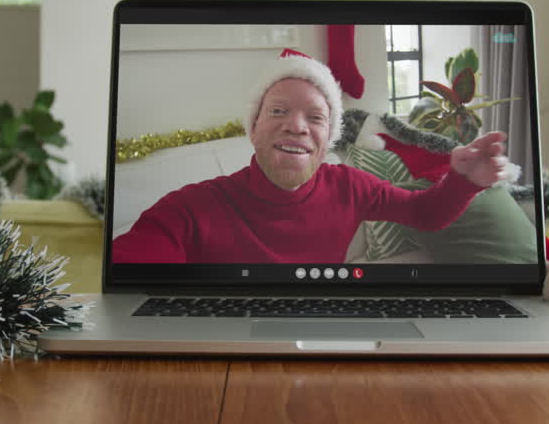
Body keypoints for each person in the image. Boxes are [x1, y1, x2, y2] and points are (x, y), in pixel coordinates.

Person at [112, 49, 510, 264]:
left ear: (328, 138)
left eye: (315, 117)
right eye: (278, 111)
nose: (297, 126)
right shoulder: (192, 208)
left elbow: (425, 213)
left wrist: (464, 181)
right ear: (253, 129)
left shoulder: (350, 186)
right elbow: (135, 262)